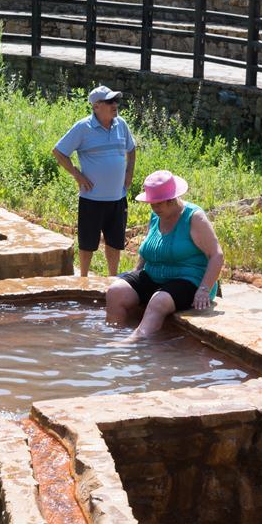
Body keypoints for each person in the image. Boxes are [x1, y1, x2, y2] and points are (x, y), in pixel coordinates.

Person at [105, 171, 224, 342]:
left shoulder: (194, 217)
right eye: (151, 203)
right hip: (155, 277)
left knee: (158, 301)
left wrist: (204, 289)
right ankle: (113, 334)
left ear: (172, 199)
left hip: (189, 280)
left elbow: (216, 255)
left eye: (158, 203)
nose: (154, 208)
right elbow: (148, 249)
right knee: (115, 291)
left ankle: (134, 342)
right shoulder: (156, 215)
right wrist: (136, 273)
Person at [52, 85, 136, 277]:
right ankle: (84, 280)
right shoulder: (83, 127)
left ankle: (113, 280)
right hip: (91, 199)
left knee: (115, 242)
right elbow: (59, 152)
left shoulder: (121, 124)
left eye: (116, 101)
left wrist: (129, 172)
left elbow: (131, 149)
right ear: (96, 106)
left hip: (117, 198)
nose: (115, 105)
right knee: (87, 243)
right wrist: (77, 175)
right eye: (109, 101)